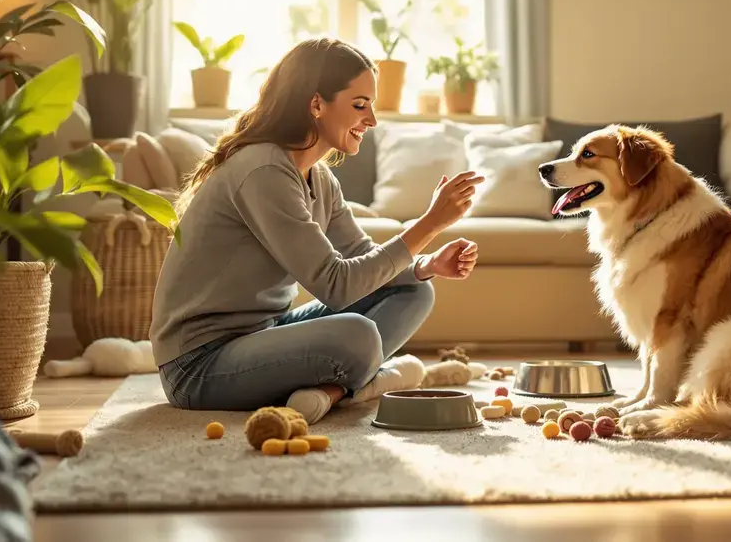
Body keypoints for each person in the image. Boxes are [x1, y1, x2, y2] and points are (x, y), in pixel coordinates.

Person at [150, 37, 483, 423]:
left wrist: (427, 264)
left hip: (263, 332)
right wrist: (430, 223)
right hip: (198, 364)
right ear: (316, 104)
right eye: (360, 105)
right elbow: (336, 285)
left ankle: (331, 391)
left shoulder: (319, 178)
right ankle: (365, 384)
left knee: (415, 288)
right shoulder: (264, 170)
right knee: (356, 336)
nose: (371, 120)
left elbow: (362, 255)